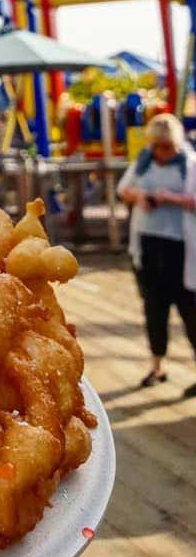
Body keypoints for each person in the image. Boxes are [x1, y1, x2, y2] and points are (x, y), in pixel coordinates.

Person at [117, 113, 196, 393]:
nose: (161, 152)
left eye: (165, 147)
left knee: (190, 311)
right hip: (148, 245)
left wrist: (168, 198)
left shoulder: (189, 163)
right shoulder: (144, 160)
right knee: (154, 308)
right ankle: (157, 364)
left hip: (181, 247)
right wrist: (140, 197)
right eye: (157, 146)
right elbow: (123, 189)